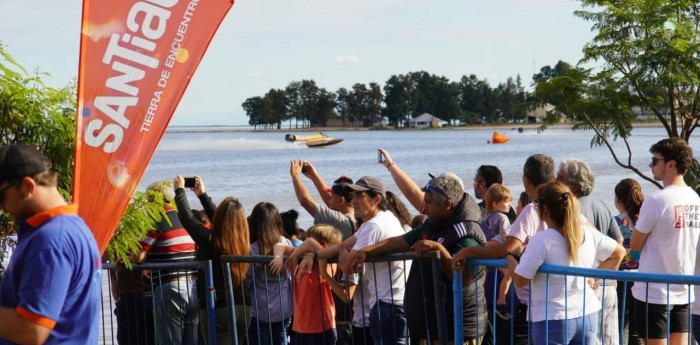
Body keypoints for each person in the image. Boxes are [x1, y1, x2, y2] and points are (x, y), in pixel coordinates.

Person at [350, 172, 487, 345]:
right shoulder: (433, 223)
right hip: (432, 322)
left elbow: (462, 278)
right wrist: (366, 252)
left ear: (447, 204)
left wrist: (438, 249)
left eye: (428, 202)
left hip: (457, 326)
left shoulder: (467, 234)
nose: (424, 206)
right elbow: (400, 242)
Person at [0, 143, 101, 344]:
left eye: (1, 196)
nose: (2, 207)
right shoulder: (72, 227)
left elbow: (32, 331)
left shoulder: (51, 240)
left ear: (28, 186)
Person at [452, 153, 556, 345]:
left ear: (526, 181)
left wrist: (468, 251)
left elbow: (506, 248)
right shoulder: (566, 208)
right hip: (560, 301)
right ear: (554, 178)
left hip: (534, 302)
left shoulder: (532, 210)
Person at [506, 182, 625, 345]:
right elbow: (619, 253)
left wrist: (510, 260)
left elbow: (520, 280)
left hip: (552, 318)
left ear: (544, 209)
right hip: (587, 313)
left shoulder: (542, 240)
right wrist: (592, 277)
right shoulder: (588, 233)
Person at [630, 138, 700, 345]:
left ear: (671, 164)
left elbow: (635, 244)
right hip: (684, 288)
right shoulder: (695, 199)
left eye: (654, 160)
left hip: (654, 292)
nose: (651, 165)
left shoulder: (656, 200)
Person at [173, 175, 250, 345]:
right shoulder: (243, 242)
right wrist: (202, 195)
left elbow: (187, 218)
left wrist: (179, 191)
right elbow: (224, 219)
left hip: (218, 308)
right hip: (244, 307)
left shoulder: (211, 242)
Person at [557, 159, 622, 345]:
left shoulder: (570, 210)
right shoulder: (601, 205)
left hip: (587, 285)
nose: (554, 180)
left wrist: (593, 274)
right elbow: (618, 242)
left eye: (559, 178)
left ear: (574, 187)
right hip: (607, 283)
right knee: (609, 340)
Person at [137, 181, 198, 345]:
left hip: (169, 288)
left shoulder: (157, 220)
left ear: (152, 201)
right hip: (192, 286)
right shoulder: (184, 218)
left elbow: (138, 257)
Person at [271, 224, 343, 344]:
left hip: (322, 325)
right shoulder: (301, 257)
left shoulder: (328, 262)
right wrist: (278, 258)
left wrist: (294, 255)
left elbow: (310, 242)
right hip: (300, 325)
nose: (303, 246)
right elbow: (279, 245)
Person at [247, 202, 294, 345]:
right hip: (284, 308)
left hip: (259, 309)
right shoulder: (285, 243)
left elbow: (248, 279)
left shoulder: (252, 249)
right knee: (282, 339)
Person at [613, 178, 644, 345]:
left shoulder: (616, 222)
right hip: (642, 278)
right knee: (637, 329)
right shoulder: (644, 221)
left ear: (618, 198)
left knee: (620, 327)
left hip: (621, 279)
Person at [290, 160, 355, 240]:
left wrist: (295, 175)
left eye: (332, 197)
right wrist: (314, 176)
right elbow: (333, 203)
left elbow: (305, 201)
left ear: (341, 201)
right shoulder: (358, 216)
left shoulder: (338, 219)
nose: (329, 200)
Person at [481, 183, 514, 320]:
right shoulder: (503, 218)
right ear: (495, 203)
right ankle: (501, 300)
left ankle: (483, 298)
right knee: (509, 274)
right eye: (506, 201)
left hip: (487, 252)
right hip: (498, 250)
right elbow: (506, 235)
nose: (509, 205)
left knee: (485, 275)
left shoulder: (486, 218)